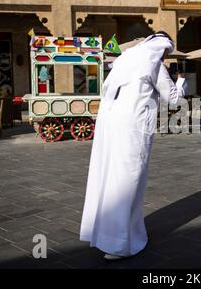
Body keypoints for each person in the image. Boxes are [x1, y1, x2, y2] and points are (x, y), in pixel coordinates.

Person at [80, 31, 187, 260]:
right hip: (133, 128)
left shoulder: (125, 59)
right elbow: (174, 98)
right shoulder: (154, 64)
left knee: (110, 178)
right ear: (162, 48)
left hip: (110, 124)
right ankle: (120, 244)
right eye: (166, 52)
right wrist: (181, 81)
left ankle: (107, 235)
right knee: (129, 180)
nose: (166, 56)